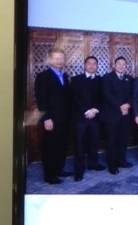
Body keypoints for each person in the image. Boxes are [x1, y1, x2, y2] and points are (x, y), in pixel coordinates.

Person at [34, 47, 71, 185]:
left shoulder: (65, 75)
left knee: (62, 145)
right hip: (51, 119)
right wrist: (46, 118)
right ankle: (49, 175)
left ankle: (59, 169)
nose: (59, 61)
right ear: (50, 59)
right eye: (56, 58)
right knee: (50, 147)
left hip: (65, 119)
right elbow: (41, 99)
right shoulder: (42, 76)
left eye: (61, 58)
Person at [71, 54, 103, 180]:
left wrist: (94, 110)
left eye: (94, 64)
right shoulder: (76, 79)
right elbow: (74, 98)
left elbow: (103, 97)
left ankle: (93, 164)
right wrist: (86, 111)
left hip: (95, 117)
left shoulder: (101, 80)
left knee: (94, 143)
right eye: (89, 63)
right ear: (85, 65)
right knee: (80, 145)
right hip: (80, 118)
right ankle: (79, 170)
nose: (91, 66)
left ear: (97, 66)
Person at [101, 55, 133, 173]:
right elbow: (107, 94)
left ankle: (121, 161)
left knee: (123, 139)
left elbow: (133, 94)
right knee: (111, 141)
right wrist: (121, 106)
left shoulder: (129, 78)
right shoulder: (107, 77)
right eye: (119, 64)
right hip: (111, 115)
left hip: (125, 115)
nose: (121, 66)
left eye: (124, 64)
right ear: (114, 65)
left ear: (126, 66)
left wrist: (128, 105)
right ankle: (112, 165)